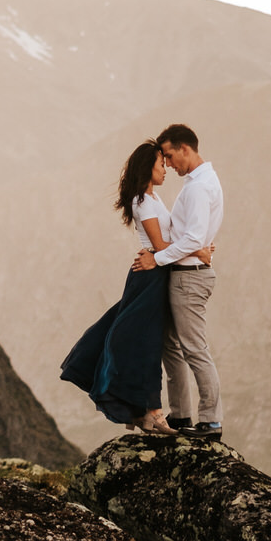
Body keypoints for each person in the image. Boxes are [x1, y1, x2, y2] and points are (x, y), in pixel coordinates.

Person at [60, 140, 213, 434]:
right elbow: (159, 246)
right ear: (147, 166)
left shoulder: (152, 199)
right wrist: (198, 252)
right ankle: (153, 414)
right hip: (150, 278)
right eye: (160, 163)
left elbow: (164, 246)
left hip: (157, 272)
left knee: (143, 341)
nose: (166, 168)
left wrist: (190, 249)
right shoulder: (142, 201)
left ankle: (146, 413)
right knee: (145, 344)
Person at [132, 123, 224, 441]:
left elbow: (194, 236)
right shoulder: (203, 181)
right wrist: (199, 247)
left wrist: (157, 258)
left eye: (170, 156)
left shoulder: (198, 187)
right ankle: (182, 414)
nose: (168, 164)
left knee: (194, 349)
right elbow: (192, 237)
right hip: (185, 273)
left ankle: (211, 421)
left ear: (185, 148)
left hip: (188, 277)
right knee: (171, 346)